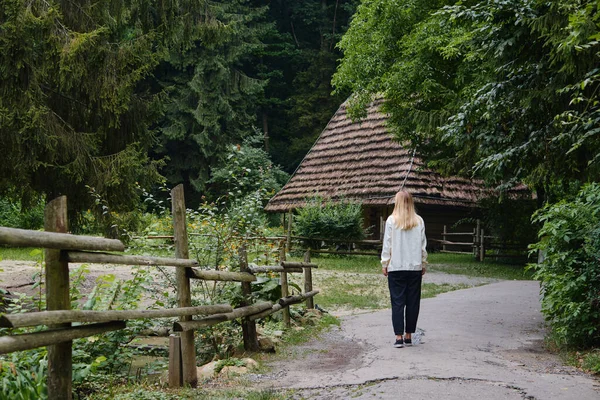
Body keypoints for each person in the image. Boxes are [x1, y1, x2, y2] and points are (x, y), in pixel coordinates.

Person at [381, 190, 427, 348]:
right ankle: (409, 335)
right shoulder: (419, 221)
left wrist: (384, 263)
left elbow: (387, 244)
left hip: (396, 267)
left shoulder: (391, 221)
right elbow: (423, 246)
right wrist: (423, 263)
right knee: (413, 302)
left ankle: (398, 337)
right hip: (414, 267)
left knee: (398, 301)